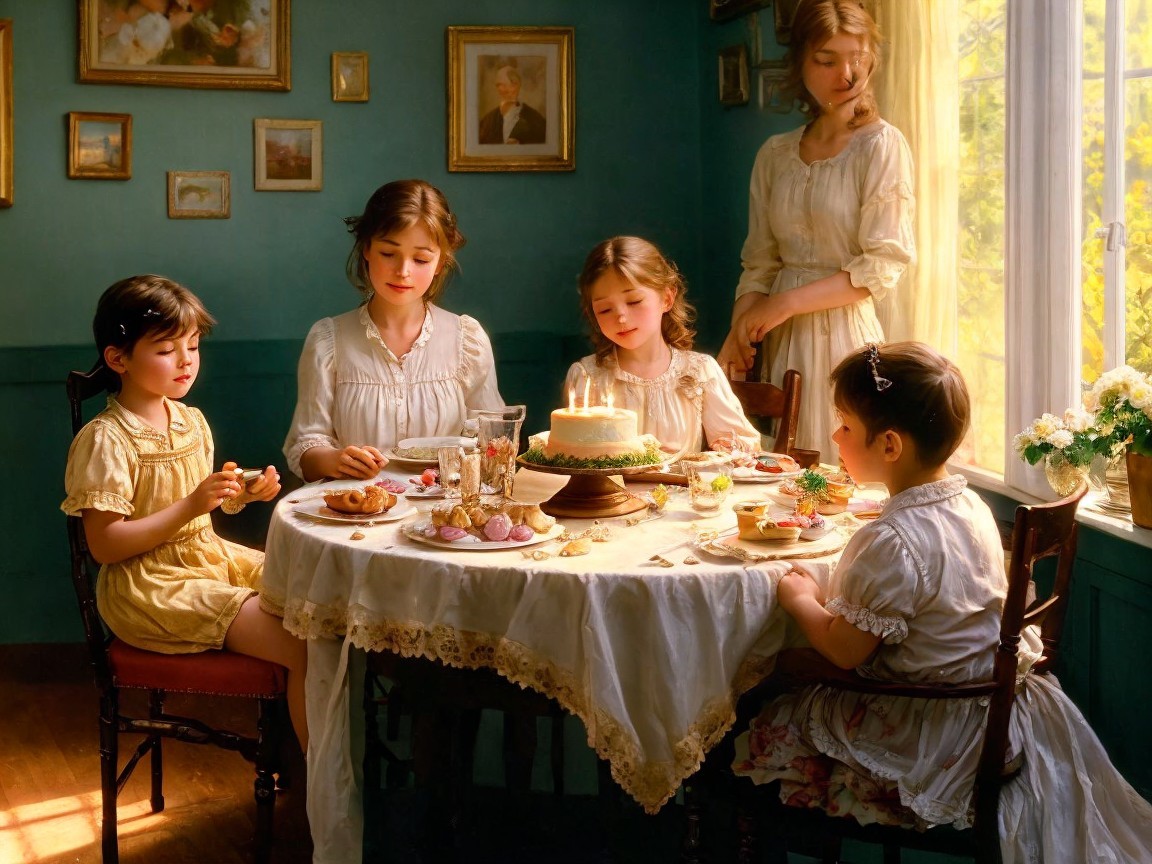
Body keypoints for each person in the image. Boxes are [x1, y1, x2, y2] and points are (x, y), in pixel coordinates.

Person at [732, 341, 1152, 860]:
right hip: (989, 705)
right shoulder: (970, 503)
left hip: (933, 727)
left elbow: (844, 652)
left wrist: (801, 598)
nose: (835, 436)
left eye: (843, 425)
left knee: (759, 700)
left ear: (889, 445)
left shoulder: (889, 540)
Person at [61, 275, 308, 752]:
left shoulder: (190, 421)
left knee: (314, 598)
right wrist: (191, 504)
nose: (186, 361)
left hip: (205, 558)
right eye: (166, 349)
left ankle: (306, 768)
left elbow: (199, 510)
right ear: (118, 358)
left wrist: (240, 493)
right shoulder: (105, 439)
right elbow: (106, 545)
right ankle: (322, 790)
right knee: (303, 643)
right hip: (148, 585)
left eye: (193, 346)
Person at [716, 0, 915, 464]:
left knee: (839, 474)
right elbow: (760, 261)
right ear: (801, 62)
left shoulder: (881, 145)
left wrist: (783, 304)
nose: (846, 74)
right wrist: (740, 329)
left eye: (858, 57)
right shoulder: (775, 153)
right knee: (780, 480)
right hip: (781, 341)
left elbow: (883, 263)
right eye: (827, 60)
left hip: (846, 336)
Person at [284, 178, 505, 482]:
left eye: (421, 258)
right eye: (388, 253)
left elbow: (492, 442)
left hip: (441, 517)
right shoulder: (328, 341)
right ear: (366, 249)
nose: (403, 271)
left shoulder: (467, 340)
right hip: (357, 518)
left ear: (440, 262)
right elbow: (305, 448)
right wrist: (335, 460)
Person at [566, 236, 760, 458]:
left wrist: (724, 451)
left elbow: (741, 444)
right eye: (604, 310)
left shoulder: (699, 372)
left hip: (681, 491)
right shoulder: (588, 377)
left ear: (667, 298)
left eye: (634, 302)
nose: (621, 317)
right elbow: (576, 458)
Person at [478, 64, 547, 145]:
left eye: (506, 85)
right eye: (499, 85)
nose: (502, 89)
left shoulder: (536, 119)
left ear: (517, 85)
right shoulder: (487, 121)